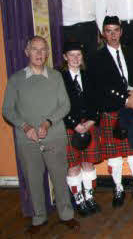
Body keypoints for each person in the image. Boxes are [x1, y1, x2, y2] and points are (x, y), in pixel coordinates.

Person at [2, 36, 79, 234]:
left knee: (60, 177)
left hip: (54, 136)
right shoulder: (16, 80)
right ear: (27, 52)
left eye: (43, 50)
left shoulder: (56, 76)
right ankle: (39, 217)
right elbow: (8, 110)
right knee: (33, 179)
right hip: (27, 139)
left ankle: (66, 214)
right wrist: (26, 127)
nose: (39, 54)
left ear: (47, 53)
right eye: (35, 49)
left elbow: (65, 105)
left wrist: (48, 122)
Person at [88, 16, 133, 208]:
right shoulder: (96, 59)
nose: (113, 34)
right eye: (108, 30)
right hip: (112, 109)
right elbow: (100, 87)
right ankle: (118, 188)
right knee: (114, 155)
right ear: (103, 33)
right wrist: (125, 99)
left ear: (121, 31)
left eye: (116, 30)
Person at [61, 42, 102, 216]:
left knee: (88, 163)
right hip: (70, 126)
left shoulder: (89, 75)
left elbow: (97, 101)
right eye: (72, 55)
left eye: (79, 55)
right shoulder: (59, 78)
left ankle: (89, 197)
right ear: (65, 57)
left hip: (89, 124)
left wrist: (91, 121)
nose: (76, 58)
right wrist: (74, 124)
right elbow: (58, 105)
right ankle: (79, 200)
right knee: (73, 166)